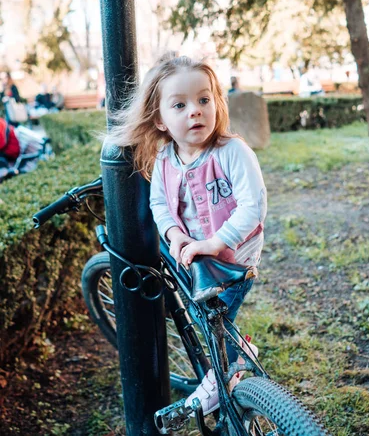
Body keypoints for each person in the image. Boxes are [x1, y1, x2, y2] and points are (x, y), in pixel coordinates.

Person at [107, 53, 266, 415]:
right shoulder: (166, 159)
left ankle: (226, 371)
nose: (195, 110)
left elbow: (252, 207)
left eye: (203, 100)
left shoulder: (231, 152)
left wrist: (215, 243)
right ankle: (230, 358)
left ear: (216, 103)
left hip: (232, 259)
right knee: (204, 316)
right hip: (191, 252)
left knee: (213, 317)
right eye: (180, 104)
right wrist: (175, 235)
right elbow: (160, 205)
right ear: (160, 120)